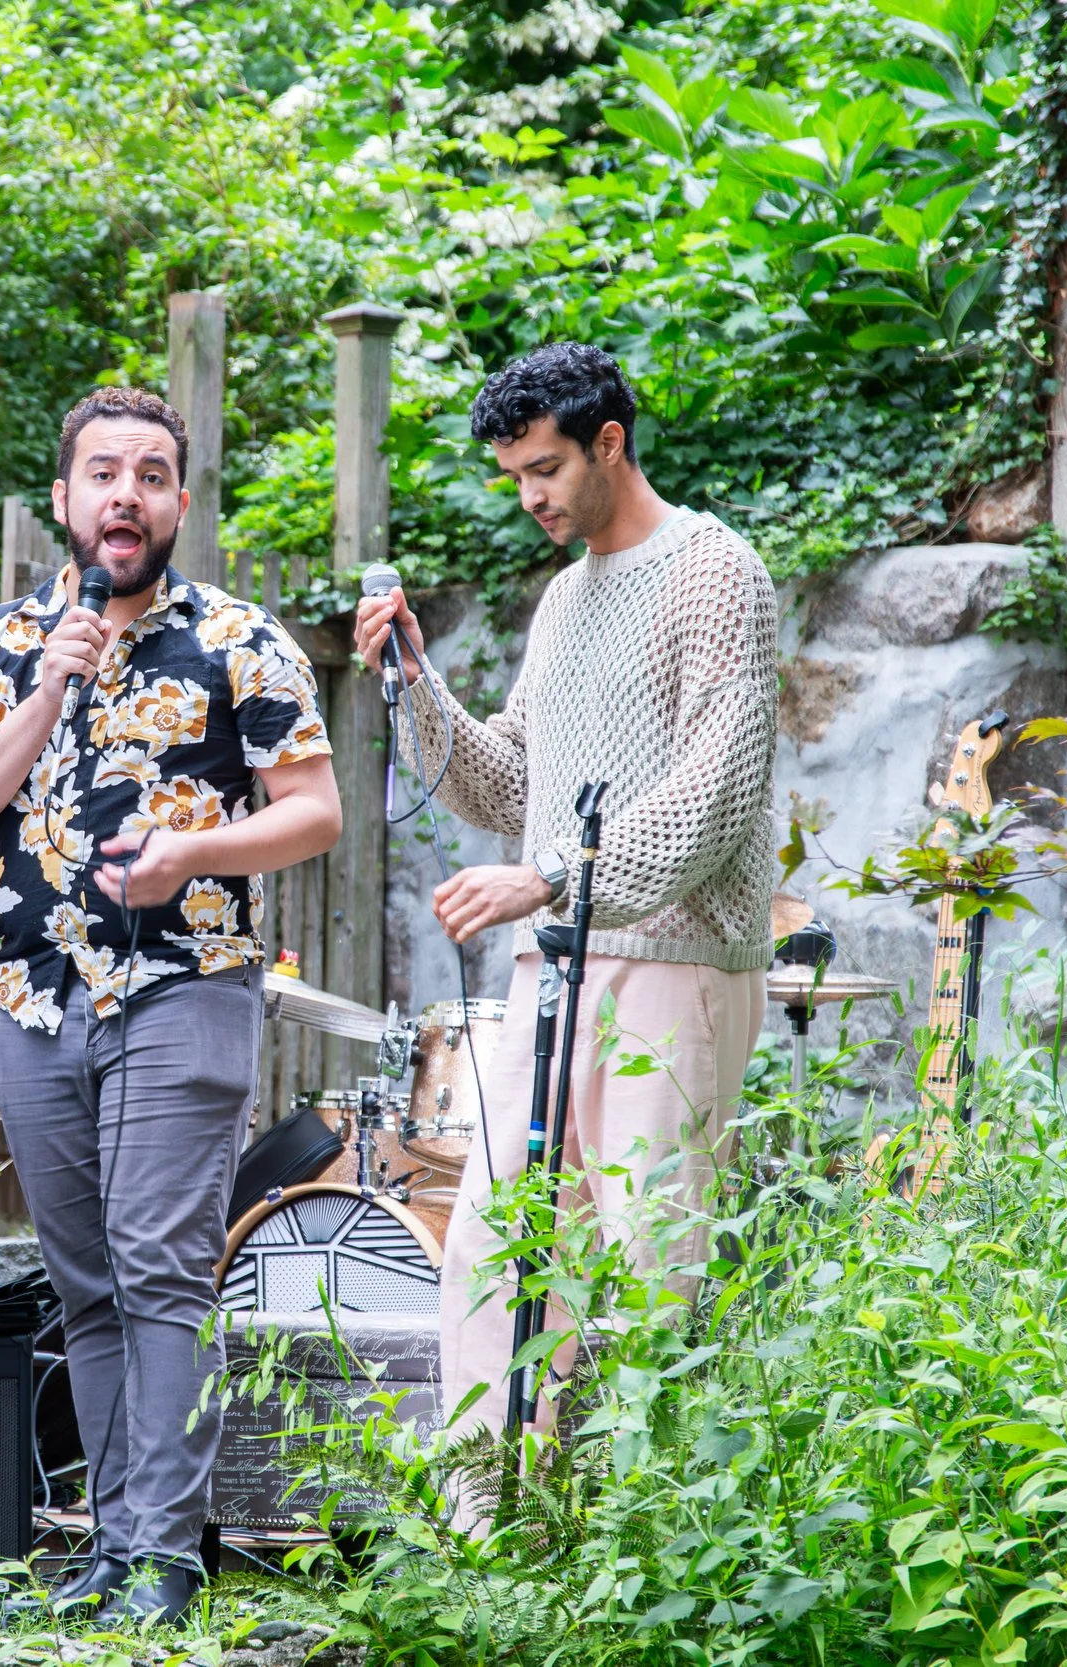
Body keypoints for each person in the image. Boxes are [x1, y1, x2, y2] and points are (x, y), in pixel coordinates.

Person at [0, 388, 342, 1623]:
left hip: (182, 986)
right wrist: (45, 690)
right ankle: (112, 1544)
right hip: (34, 997)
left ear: (179, 505)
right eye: (103, 473)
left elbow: (314, 811)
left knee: (159, 1267)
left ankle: (162, 1554)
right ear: (63, 498)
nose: (125, 495)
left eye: (151, 476)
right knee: (86, 1278)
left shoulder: (240, 640)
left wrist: (190, 859)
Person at [352, 343, 776, 1444]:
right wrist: (414, 681)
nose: (530, 495)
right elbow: (508, 777)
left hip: (677, 961)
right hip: (555, 962)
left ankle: (637, 1545)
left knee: (649, 1267)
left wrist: (550, 875)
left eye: (543, 468)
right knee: (493, 1249)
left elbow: (715, 791)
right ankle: (489, 1532)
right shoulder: (562, 601)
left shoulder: (714, 570)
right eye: (513, 476)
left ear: (609, 442)